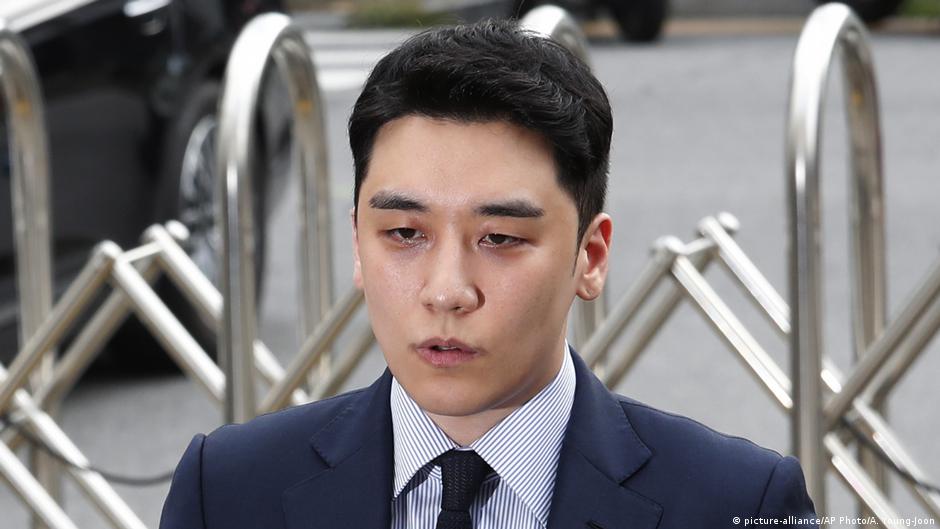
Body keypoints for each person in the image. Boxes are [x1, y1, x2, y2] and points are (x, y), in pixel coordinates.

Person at [159, 17, 819, 529]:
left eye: (500, 238)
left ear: (590, 257)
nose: (447, 290)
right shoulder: (228, 489)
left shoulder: (737, 502)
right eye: (404, 234)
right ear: (357, 244)